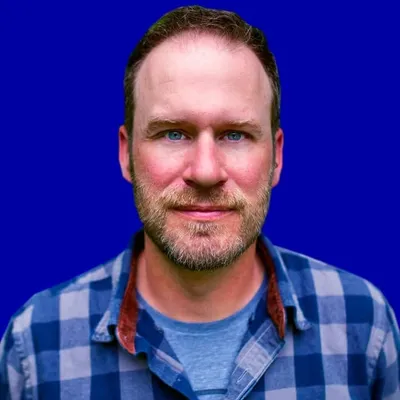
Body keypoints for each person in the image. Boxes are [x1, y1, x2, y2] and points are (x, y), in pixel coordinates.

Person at [1, 5, 399, 400]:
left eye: (235, 134)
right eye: (173, 133)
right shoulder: (36, 345)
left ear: (277, 157)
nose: (206, 172)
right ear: (126, 154)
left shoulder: (363, 325)